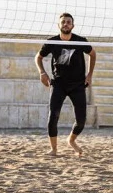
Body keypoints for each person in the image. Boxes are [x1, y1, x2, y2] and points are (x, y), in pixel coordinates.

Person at [35, 13, 96, 157]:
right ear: (59, 25)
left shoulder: (80, 41)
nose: (66, 24)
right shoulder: (52, 42)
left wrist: (89, 75)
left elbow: (93, 54)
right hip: (58, 84)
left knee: (81, 120)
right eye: (63, 22)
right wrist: (42, 72)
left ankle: (71, 140)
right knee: (53, 116)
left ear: (73, 25)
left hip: (77, 84)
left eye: (69, 22)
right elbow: (38, 57)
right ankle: (53, 149)